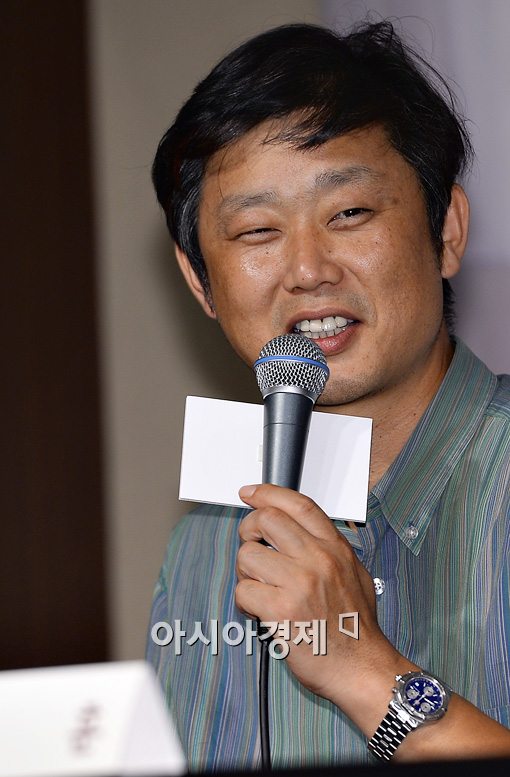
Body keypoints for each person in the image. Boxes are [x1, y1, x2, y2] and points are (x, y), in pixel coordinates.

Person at [146, 21, 510, 770]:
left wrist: (363, 671)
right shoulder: (209, 542)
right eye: (257, 230)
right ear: (200, 281)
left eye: (349, 214)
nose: (308, 269)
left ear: (446, 230)